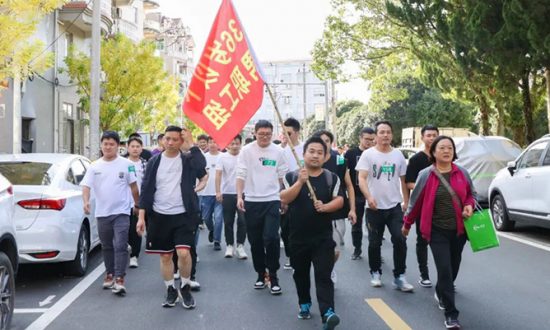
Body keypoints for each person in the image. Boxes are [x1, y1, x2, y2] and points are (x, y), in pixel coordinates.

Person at [402, 136, 475, 329]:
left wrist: (468, 206)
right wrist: (407, 223)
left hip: (460, 231)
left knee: (454, 267)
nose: (446, 151)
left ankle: (441, 290)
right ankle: (451, 314)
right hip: (437, 232)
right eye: (442, 148)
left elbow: (471, 195)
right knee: (444, 269)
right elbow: (415, 201)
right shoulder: (426, 174)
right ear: (433, 152)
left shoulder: (462, 172)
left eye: (449, 147)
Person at [136, 125, 206, 309]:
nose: (170, 142)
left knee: (183, 253)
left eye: (175, 139)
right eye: (167, 138)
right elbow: (146, 190)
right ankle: (170, 289)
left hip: (183, 215)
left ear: (181, 141)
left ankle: (185, 286)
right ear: (162, 139)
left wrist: (191, 145)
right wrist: (141, 217)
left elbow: (201, 169)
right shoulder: (154, 161)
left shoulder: (188, 159)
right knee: (166, 256)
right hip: (159, 216)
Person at [281, 137, 343, 329]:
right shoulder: (291, 176)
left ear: (325, 157)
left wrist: (325, 207)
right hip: (297, 237)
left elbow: (340, 200)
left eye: (320, 152)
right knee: (300, 274)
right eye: (312, 151)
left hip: (323, 237)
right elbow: (284, 198)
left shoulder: (331, 177)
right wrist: (300, 181)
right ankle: (304, 303)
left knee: (324, 275)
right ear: (304, 154)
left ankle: (328, 312)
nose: (315, 155)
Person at [356, 121, 413, 292]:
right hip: (373, 208)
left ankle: (400, 276)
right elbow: (362, 178)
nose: (385, 135)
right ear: (376, 136)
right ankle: (375, 273)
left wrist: (406, 201)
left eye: (388, 132)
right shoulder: (368, 155)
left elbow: (403, 180)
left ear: (392, 135)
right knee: (374, 243)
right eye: (382, 132)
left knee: (400, 239)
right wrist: (369, 197)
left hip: (394, 206)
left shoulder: (398, 155)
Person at [81, 131, 139, 295]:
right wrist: (85, 201)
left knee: (120, 244)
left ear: (118, 146)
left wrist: (137, 204)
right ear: (101, 145)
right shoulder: (94, 166)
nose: (108, 147)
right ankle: (110, 274)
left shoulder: (127, 164)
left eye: (111, 144)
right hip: (102, 213)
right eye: (105, 143)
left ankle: (120, 278)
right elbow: (86, 186)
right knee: (107, 246)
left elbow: (134, 187)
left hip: (121, 211)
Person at [236, 120, 288, 295]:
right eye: (261, 134)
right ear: (255, 133)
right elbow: (241, 174)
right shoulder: (246, 151)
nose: (264, 137)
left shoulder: (278, 151)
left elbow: (282, 176)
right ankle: (261, 274)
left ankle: (273, 275)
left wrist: (283, 197)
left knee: (271, 237)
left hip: (272, 199)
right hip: (251, 200)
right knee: (255, 240)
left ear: (272, 134)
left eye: (268, 134)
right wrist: (239, 196)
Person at [313, 130, 356, 284]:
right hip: (315, 211)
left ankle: (329, 268)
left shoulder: (339, 161)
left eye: (327, 141)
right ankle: (322, 269)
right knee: (317, 247)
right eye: (320, 140)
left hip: (337, 212)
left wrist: (352, 209)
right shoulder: (310, 160)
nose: (324, 143)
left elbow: (349, 186)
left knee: (335, 249)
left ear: (331, 143)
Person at [405, 125, 439, 288]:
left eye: (434, 135)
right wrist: (428, 188)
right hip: (423, 206)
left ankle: (445, 276)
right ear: (422, 138)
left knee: (443, 242)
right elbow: (409, 182)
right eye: (428, 135)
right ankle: (424, 274)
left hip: (443, 207)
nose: (431, 138)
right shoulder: (416, 159)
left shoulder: (444, 156)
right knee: (423, 240)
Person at [345, 127, 376, 260]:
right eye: (366, 139)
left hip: (372, 194)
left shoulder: (376, 153)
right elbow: (344, 174)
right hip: (356, 194)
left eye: (371, 139)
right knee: (356, 224)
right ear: (360, 138)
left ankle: (375, 251)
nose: (369, 142)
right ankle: (357, 249)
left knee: (373, 226)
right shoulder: (350, 154)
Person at [215, 135, 247, 259]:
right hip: (227, 193)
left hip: (243, 193)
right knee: (228, 221)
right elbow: (218, 175)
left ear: (240, 144)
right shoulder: (222, 157)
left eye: (237, 143)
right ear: (227, 144)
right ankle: (229, 245)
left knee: (242, 220)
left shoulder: (244, 156)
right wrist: (218, 191)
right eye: (232, 143)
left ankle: (240, 246)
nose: (234, 146)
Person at [280, 117, 304, 270]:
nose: (285, 136)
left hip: (304, 194)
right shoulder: (281, 152)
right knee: (286, 229)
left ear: (297, 132)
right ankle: (290, 255)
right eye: (284, 133)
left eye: (289, 133)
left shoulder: (307, 149)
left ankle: (302, 256)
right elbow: (279, 177)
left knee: (302, 228)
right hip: (287, 194)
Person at [125, 136, 147, 268]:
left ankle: (134, 255)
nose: (135, 149)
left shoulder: (146, 164)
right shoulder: (122, 163)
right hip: (123, 202)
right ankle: (129, 246)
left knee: (136, 229)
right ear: (127, 148)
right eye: (132, 146)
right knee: (124, 229)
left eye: (137, 146)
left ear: (141, 149)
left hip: (139, 202)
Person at [198, 136, 224, 251]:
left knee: (218, 218)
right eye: (211, 142)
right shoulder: (203, 158)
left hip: (220, 193)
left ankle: (217, 240)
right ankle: (212, 230)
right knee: (206, 217)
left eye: (215, 142)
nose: (213, 144)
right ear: (207, 144)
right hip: (206, 193)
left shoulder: (223, 157)